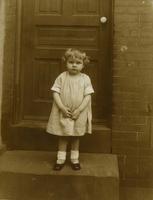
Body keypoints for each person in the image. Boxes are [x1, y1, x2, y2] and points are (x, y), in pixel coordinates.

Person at [46, 48, 94, 171]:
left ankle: (74, 159)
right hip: (64, 112)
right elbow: (55, 92)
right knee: (63, 135)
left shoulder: (85, 79)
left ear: (83, 65)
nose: (74, 65)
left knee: (76, 136)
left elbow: (88, 96)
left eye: (78, 63)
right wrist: (61, 107)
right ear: (66, 63)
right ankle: (60, 159)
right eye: (71, 62)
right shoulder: (62, 77)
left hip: (79, 113)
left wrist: (79, 110)